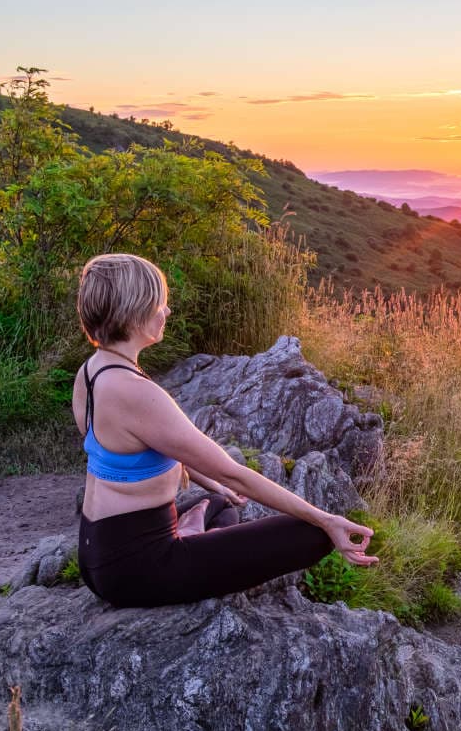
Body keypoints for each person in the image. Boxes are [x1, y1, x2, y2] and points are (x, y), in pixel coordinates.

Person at [71, 253, 376, 607]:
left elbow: (144, 451)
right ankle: (188, 541)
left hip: (96, 553)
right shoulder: (136, 392)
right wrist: (327, 519)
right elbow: (234, 474)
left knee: (218, 503)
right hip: (139, 571)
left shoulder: (91, 373)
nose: (166, 311)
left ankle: (190, 532)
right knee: (314, 534)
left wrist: (213, 485)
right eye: (159, 304)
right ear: (134, 312)